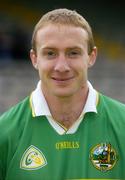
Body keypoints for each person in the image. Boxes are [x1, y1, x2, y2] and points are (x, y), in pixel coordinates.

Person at [0, 8, 125, 180]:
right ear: (34, 58)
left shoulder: (122, 124)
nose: (61, 67)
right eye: (50, 53)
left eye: (73, 53)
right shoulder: (4, 131)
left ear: (91, 56)